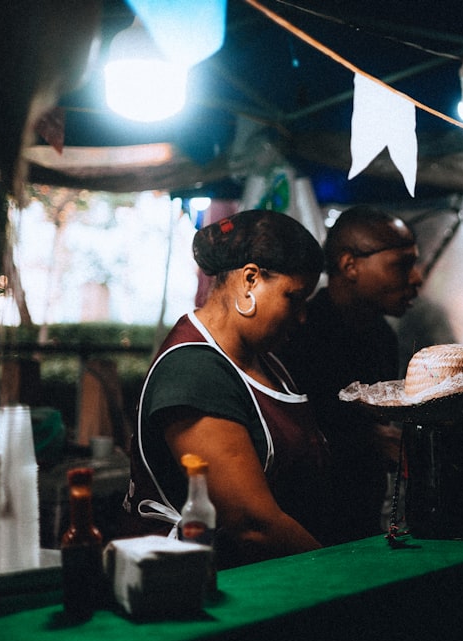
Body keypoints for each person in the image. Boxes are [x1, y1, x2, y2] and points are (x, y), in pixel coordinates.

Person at [124, 210, 332, 569]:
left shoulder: (267, 361)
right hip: (193, 584)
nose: (302, 317)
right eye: (293, 298)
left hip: (270, 580)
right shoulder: (193, 372)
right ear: (250, 279)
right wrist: (338, 570)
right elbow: (253, 525)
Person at [277, 205, 423, 543]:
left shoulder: (382, 335)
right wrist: (367, 440)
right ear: (349, 265)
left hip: (364, 516)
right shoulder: (300, 332)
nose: (416, 279)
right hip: (302, 528)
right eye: (402, 265)